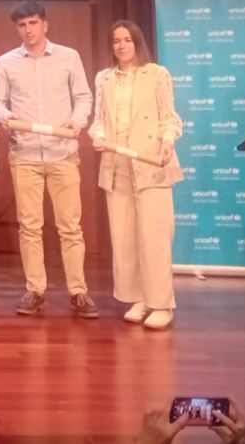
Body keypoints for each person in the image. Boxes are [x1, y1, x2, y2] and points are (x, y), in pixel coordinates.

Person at [0, 0, 97, 319]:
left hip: (62, 154)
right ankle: (35, 289)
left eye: (33, 23)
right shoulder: (7, 62)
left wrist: (76, 122)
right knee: (30, 226)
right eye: (22, 25)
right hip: (24, 154)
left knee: (70, 226)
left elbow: (83, 97)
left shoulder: (69, 57)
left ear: (45, 25)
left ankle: (78, 291)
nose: (28, 30)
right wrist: (5, 116)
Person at [89, 20, 184, 330]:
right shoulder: (104, 78)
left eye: (127, 40)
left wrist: (167, 143)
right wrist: (98, 136)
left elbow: (169, 117)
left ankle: (162, 303)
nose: (122, 46)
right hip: (117, 167)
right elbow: (99, 120)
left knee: (155, 238)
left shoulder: (157, 74)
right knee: (125, 238)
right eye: (116, 41)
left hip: (151, 163)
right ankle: (139, 298)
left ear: (137, 42)